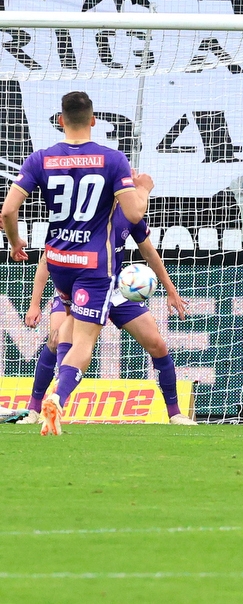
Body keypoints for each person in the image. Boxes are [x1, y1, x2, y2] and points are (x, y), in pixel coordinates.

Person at [0, 90, 153, 436]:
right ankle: (58, 397)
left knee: (64, 333)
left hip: (58, 261)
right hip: (94, 265)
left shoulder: (40, 158)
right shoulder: (113, 160)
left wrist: (15, 241)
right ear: (94, 120)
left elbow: (8, 211)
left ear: (60, 121)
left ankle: (40, 399)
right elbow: (133, 212)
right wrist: (143, 189)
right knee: (84, 343)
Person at [20, 206, 193, 425]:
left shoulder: (130, 213)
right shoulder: (80, 212)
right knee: (56, 340)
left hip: (115, 289)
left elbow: (149, 251)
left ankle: (175, 413)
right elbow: (48, 258)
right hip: (80, 287)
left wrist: (171, 290)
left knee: (157, 344)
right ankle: (35, 409)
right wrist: (35, 303)